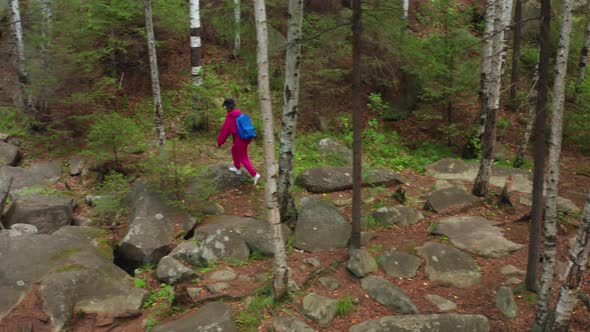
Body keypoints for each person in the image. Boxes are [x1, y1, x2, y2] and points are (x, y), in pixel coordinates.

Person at [217, 98, 261, 185]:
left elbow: (225, 131)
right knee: (234, 149)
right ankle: (237, 168)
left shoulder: (230, 117)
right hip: (246, 138)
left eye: (225, 107)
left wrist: (220, 141)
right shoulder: (240, 113)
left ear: (228, 108)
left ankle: (255, 175)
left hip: (239, 139)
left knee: (243, 158)